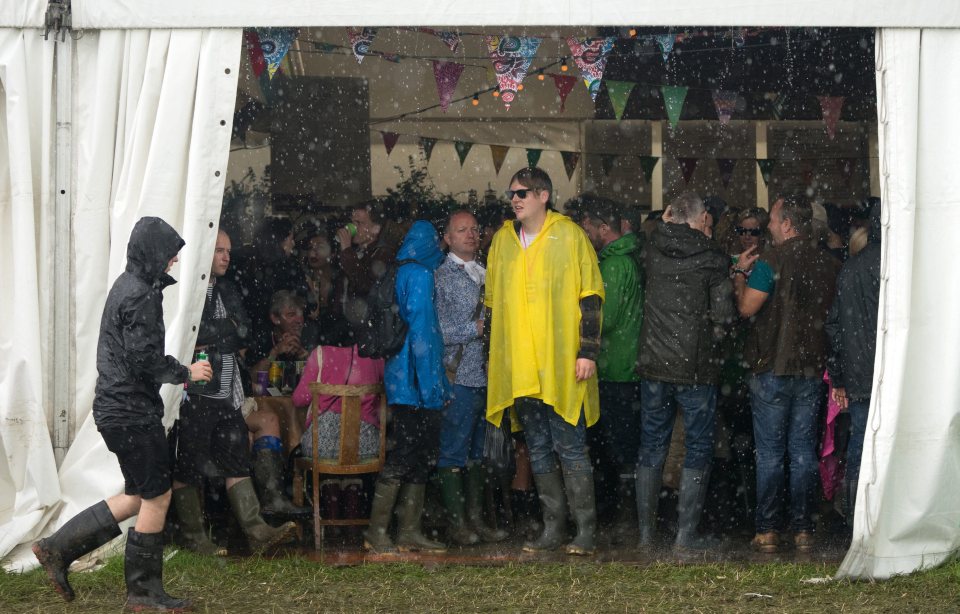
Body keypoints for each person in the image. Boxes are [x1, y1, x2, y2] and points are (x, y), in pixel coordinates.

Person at [33, 217, 212, 609]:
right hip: (130, 411)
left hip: (117, 410)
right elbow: (143, 359)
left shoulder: (128, 286)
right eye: (170, 254)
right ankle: (144, 594)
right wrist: (186, 373)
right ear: (152, 253)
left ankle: (56, 548)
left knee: (138, 495)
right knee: (159, 496)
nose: (174, 262)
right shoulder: (141, 295)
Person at [485, 168, 605, 556]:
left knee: (570, 446)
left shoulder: (569, 236)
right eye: (511, 193)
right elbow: (491, 308)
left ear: (543, 195)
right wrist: (495, 359)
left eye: (522, 193)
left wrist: (587, 351)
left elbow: (591, 297)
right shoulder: (502, 241)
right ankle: (553, 527)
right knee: (536, 448)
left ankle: (584, 529)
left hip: (561, 363)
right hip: (520, 367)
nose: (515, 199)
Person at [171, 229, 301, 558]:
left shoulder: (227, 289)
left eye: (228, 250)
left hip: (230, 392)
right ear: (203, 254)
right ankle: (195, 538)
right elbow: (190, 334)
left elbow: (242, 329)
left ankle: (257, 532)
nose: (226, 257)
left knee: (236, 462)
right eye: (219, 251)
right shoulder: (189, 291)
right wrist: (221, 330)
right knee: (188, 466)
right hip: (197, 391)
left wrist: (216, 333)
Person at [733, 194, 839, 553]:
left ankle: (767, 529)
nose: (769, 227)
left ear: (789, 225)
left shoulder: (770, 261)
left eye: (774, 221)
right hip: (811, 368)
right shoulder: (828, 263)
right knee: (803, 452)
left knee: (771, 453)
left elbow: (748, 308)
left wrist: (737, 277)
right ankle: (804, 528)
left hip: (771, 368)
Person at [634, 193, 734, 551]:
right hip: (695, 368)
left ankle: (646, 536)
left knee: (652, 446)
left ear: (668, 215)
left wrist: (664, 221)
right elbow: (723, 316)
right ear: (704, 216)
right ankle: (684, 538)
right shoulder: (712, 258)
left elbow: (658, 231)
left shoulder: (651, 246)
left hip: (654, 365)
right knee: (697, 448)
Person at [363, 221, 452, 554]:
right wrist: (436, 388)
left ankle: (405, 532)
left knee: (415, 455)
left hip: (401, 380)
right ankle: (381, 532)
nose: (441, 248)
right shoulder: (420, 275)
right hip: (416, 382)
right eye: (437, 242)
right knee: (408, 455)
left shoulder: (398, 271)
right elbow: (424, 337)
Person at [435, 210, 509, 546]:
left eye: (475, 229)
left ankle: (477, 521)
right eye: (461, 230)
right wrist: (473, 328)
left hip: (488, 375)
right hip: (458, 375)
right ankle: (457, 523)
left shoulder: (489, 272)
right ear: (447, 238)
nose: (470, 235)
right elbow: (436, 331)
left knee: (479, 452)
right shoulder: (441, 277)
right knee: (453, 451)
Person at [575, 196, 645, 544]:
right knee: (617, 445)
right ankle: (621, 513)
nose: (586, 234)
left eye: (589, 228)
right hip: (619, 365)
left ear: (605, 228)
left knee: (619, 447)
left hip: (618, 368)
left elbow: (607, 316)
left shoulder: (615, 266)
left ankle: (624, 516)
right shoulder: (620, 259)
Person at [291, 318, 384, 531]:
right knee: (351, 456)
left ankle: (329, 520)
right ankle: (354, 520)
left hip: (322, 444)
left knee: (328, 456)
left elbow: (299, 399)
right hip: (365, 444)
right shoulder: (374, 356)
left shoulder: (320, 355)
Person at [825, 198, 881, 522]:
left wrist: (840, 375)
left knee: (860, 438)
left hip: (860, 372)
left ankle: (856, 516)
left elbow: (833, 325)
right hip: (894, 372)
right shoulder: (898, 266)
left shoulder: (852, 268)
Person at [233, 216, 309, 342]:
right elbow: (307, 304)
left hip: (255, 334)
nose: (293, 243)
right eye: (291, 239)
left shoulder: (249, 265)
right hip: (283, 335)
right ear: (281, 241)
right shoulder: (290, 268)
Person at [335, 199, 405, 327]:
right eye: (352, 222)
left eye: (359, 223)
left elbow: (366, 287)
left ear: (376, 229)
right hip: (348, 326)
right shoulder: (358, 250)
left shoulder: (384, 253)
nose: (353, 227)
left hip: (370, 327)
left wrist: (346, 250)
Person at [247, 290, 315, 381]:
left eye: (301, 314)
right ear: (275, 319)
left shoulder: (309, 335)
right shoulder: (262, 339)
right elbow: (249, 379)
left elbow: (321, 383)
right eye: (291, 315)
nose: (299, 320)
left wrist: (303, 357)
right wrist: (275, 352)